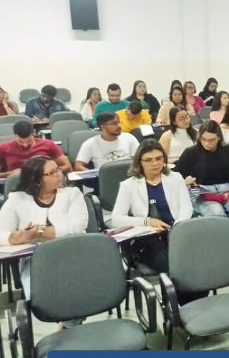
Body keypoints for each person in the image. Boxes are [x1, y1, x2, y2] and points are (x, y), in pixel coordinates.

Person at [0, 156, 87, 328]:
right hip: (34, 260)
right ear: (37, 180)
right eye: (52, 172)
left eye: (58, 170)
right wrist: (19, 237)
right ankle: (68, 328)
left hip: (71, 254)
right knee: (46, 300)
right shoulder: (17, 199)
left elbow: (78, 227)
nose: (59, 174)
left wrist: (38, 232)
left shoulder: (72, 194)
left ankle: (68, 329)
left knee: (78, 295)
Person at [111, 140, 193, 272]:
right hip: (148, 239)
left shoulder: (175, 178)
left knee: (194, 261)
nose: (155, 163)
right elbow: (116, 219)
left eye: (158, 158)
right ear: (140, 162)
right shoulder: (128, 185)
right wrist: (148, 221)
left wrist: (177, 229)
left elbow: (186, 208)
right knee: (174, 266)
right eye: (148, 160)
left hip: (177, 233)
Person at [177, 121, 229, 259]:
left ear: (219, 137)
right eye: (203, 140)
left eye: (211, 140)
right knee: (217, 213)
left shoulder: (228, 149)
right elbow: (176, 176)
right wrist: (186, 180)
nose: (207, 143)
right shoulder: (191, 152)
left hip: (225, 188)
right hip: (202, 192)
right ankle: (225, 255)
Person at [0, 121, 72, 177]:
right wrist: (9, 174)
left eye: (29, 141)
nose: (25, 145)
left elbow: (68, 166)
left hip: (45, 181)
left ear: (34, 133)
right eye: (20, 141)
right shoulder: (3, 148)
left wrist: (51, 171)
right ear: (14, 135)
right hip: (16, 183)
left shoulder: (48, 145)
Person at [74, 112, 140, 171]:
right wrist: (95, 175)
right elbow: (78, 166)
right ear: (103, 126)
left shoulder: (129, 138)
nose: (119, 126)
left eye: (119, 122)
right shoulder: (90, 144)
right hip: (105, 179)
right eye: (114, 123)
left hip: (129, 175)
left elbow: (139, 159)